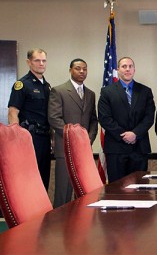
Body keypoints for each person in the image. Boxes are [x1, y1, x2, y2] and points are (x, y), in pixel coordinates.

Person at [48, 58, 98, 207]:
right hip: (65, 148)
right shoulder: (59, 91)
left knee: (85, 192)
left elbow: (93, 120)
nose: (81, 71)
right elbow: (54, 118)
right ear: (70, 70)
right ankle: (59, 226)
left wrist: (88, 139)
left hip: (84, 150)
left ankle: (80, 225)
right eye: (78, 68)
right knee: (63, 191)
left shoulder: (90, 94)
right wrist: (73, 138)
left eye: (84, 69)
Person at [98, 57, 155, 182]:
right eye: (124, 66)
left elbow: (149, 117)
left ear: (134, 70)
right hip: (116, 148)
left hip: (139, 147)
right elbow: (104, 118)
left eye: (130, 66)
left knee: (140, 189)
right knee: (117, 190)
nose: (127, 69)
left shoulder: (145, 91)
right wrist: (124, 135)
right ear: (118, 70)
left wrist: (135, 134)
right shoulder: (107, 92)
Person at [8, 48, 52, 189]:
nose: (41, 64)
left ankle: (43, 211)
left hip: (45, 138)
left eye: (44, 60)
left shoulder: (47, 86)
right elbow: (13, 112)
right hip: (29, 137)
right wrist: (17, 138)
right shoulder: (22, 85)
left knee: (43, 178)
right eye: (37, 60)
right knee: (29, 179)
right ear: (29, 62)